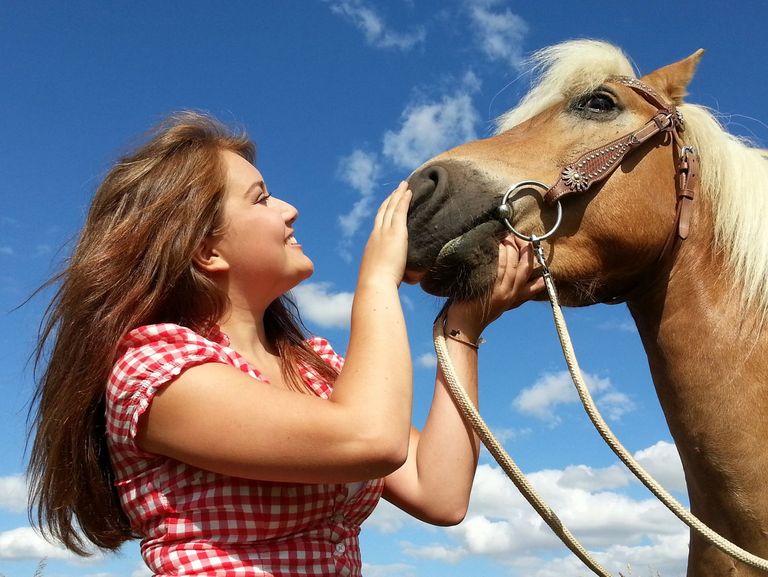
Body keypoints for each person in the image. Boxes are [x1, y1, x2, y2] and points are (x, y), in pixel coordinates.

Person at [27, 111, 543, 577]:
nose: (290, 210)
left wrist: (463, 329)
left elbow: (441, 491)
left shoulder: (316, 365)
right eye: (262, 197)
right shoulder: (154, 366)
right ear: (206, 250)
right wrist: (377, 281)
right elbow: (372, 440)